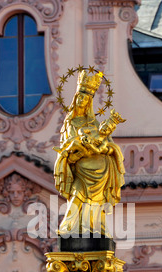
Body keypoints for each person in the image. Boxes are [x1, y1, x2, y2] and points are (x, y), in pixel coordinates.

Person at [53, 70, 126, 237]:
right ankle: (68, 226)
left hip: (101, 171)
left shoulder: (95, 123)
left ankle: (96, 228)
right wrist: (76, 147)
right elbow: (68, 148)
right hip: (82, 168)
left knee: (96, 204)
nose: (81, 100)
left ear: (90, 102)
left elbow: (109, 144)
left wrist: (103, 148)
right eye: (79, 96)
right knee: (77, 195)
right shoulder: (70, 122)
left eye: (85, 98)